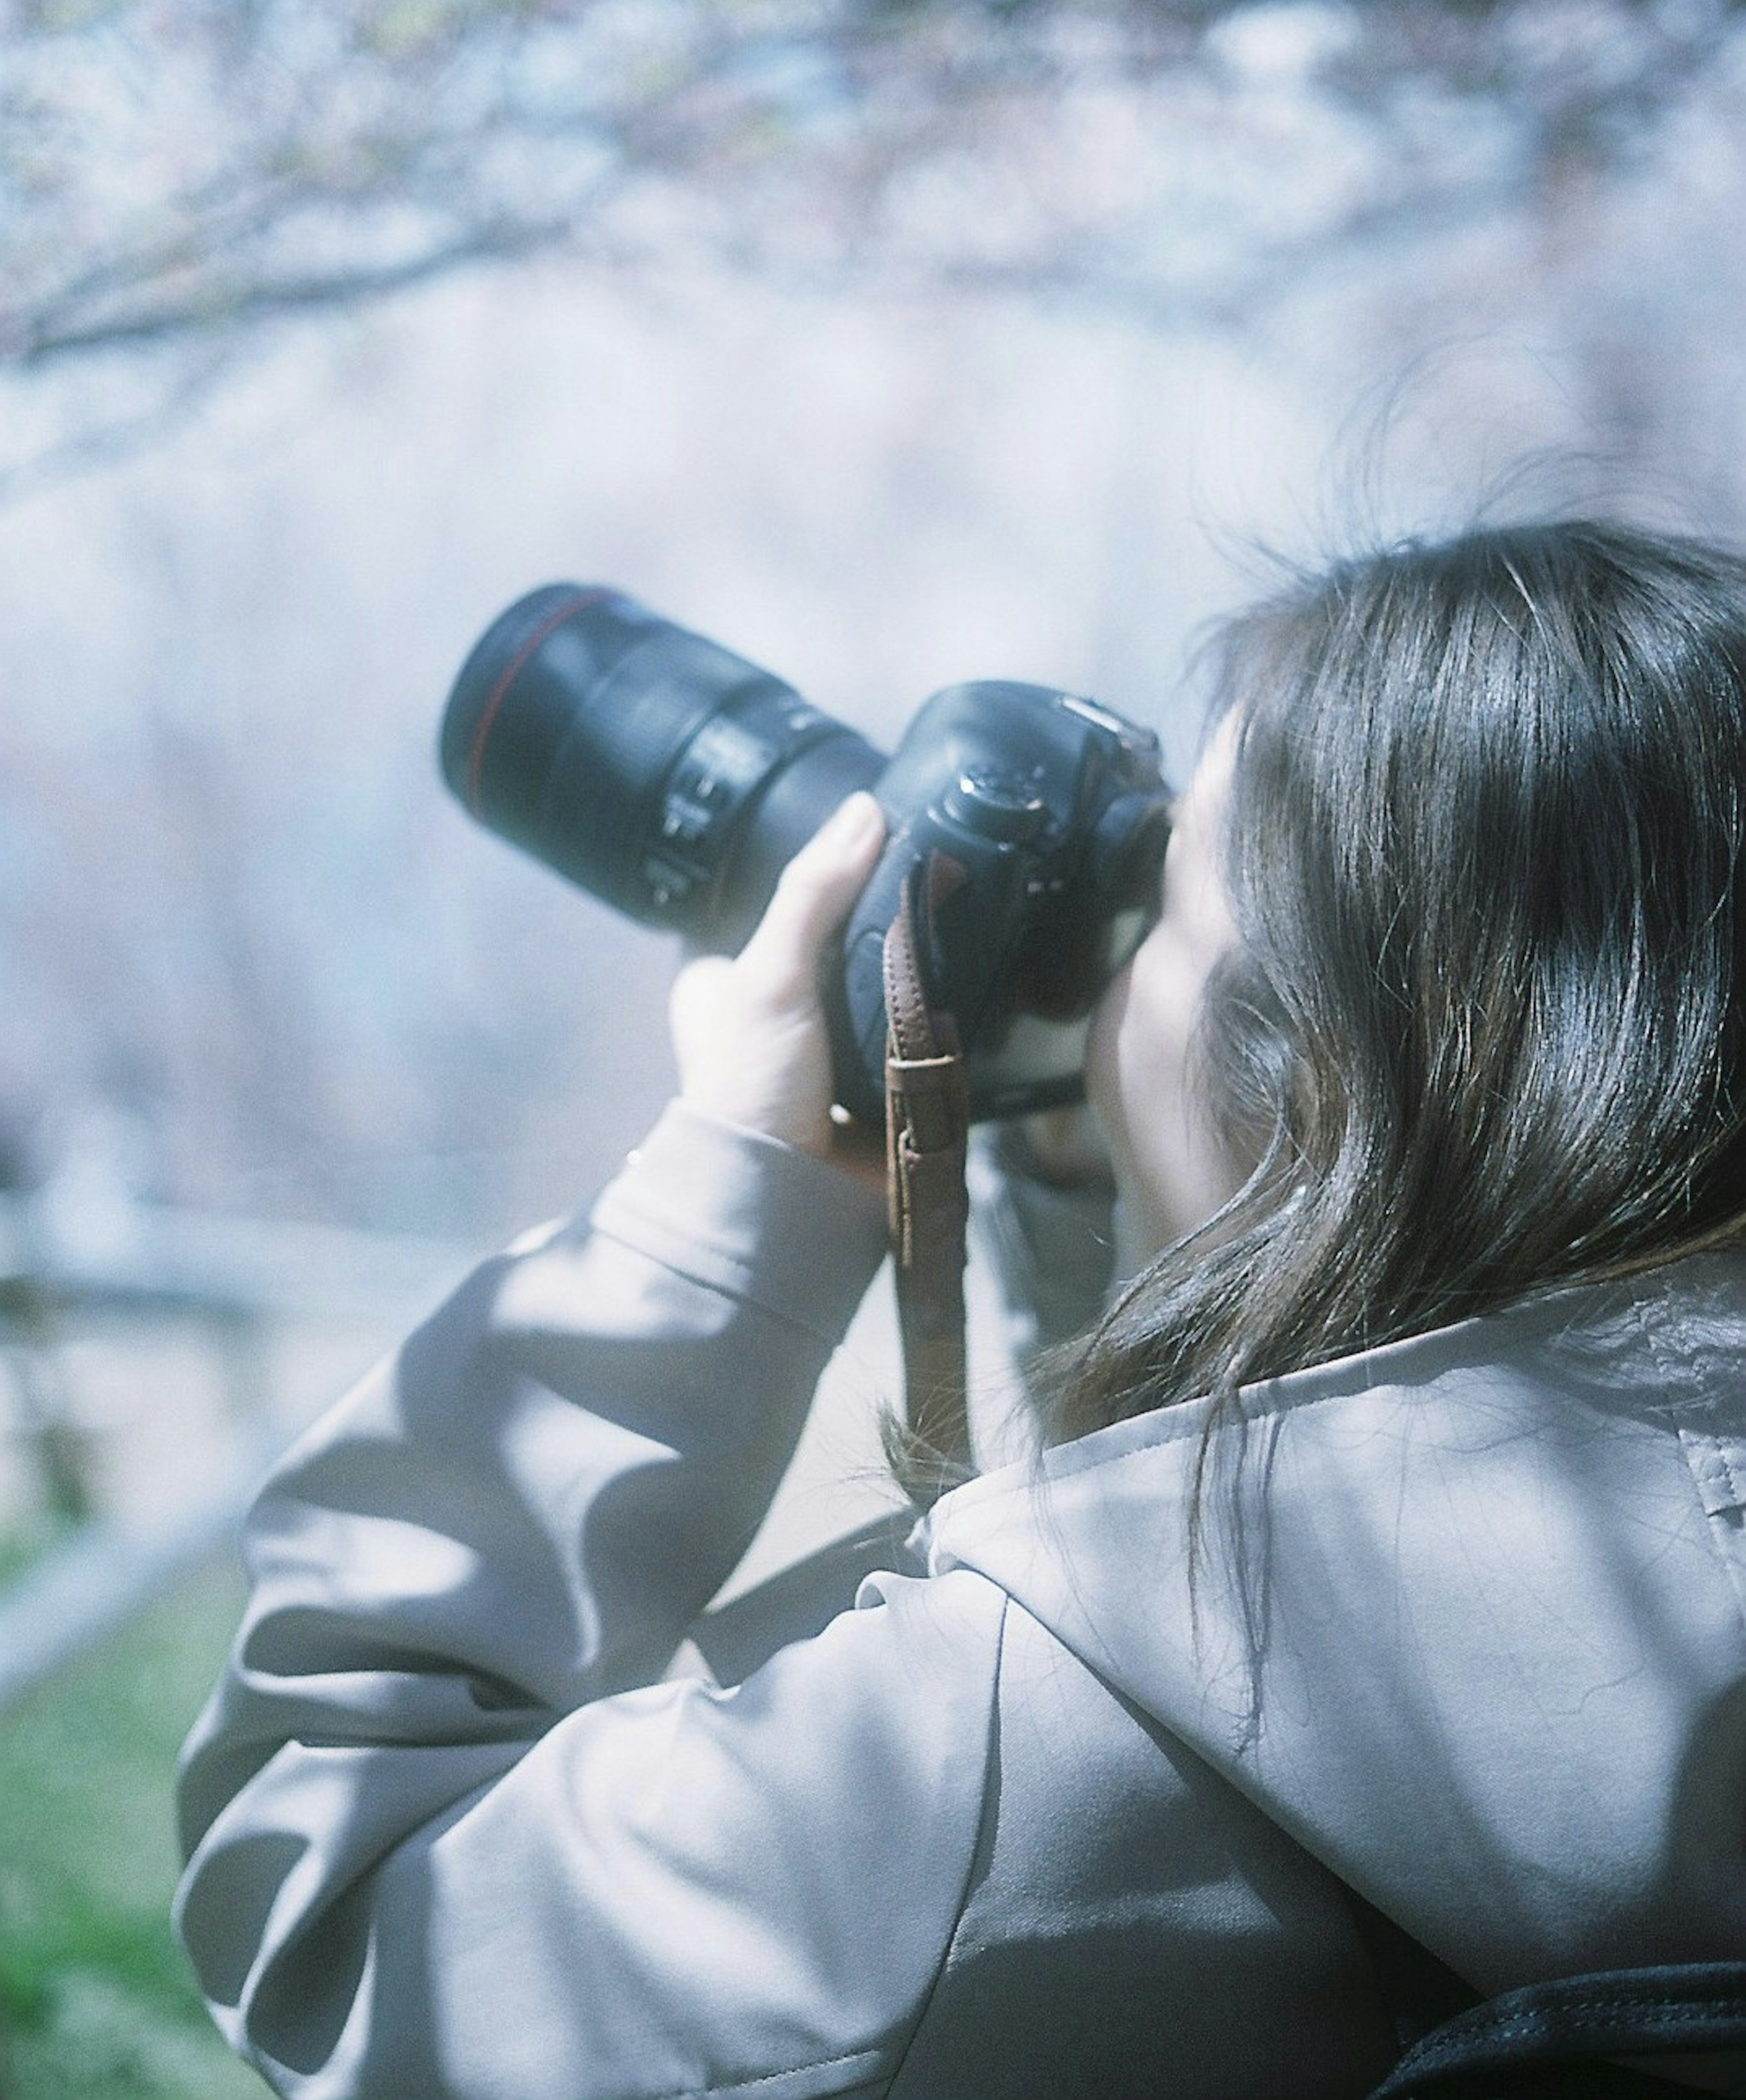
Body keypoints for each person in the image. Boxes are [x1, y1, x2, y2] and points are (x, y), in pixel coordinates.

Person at [175, 521, 1746, 2100]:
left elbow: (343, 1922)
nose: (1112, 976)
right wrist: (1095, 1175)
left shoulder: (1047, 1741)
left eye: (1168, 907)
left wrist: (717, 1203)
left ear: (1318, 1083)